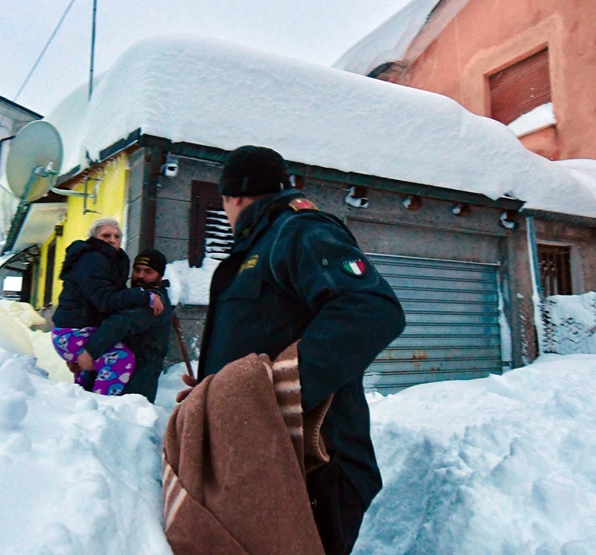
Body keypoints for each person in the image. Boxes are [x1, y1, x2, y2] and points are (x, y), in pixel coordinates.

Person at [180, 145, 405, 554]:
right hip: (262, 460)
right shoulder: (256, 247)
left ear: (232, 197)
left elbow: (373, 309)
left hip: (314, 467)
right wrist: (214, 392)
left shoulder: (299, 230)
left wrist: (275, 388)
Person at [51, 218, 165, 395]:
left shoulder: (156, 299)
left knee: (113, 358)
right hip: (74, 329)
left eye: (116, 236)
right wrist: (89, 352)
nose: (112, 239)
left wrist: (88, 353)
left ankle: (86, 399)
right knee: (120, 358)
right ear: (94, 238)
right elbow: (106, 300)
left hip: (136, 381)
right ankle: (101, 405)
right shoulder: (93, 259)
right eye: (106, 235)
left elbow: (117, 316)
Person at [78, 249, 172, 403]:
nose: (140, 276)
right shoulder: (135, 296)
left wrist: (89, 352)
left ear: (160, 277)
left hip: (133, 387)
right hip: (112, 380)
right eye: (137, 270)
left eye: (148, 271)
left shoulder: (155, 301)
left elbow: (120, 323)